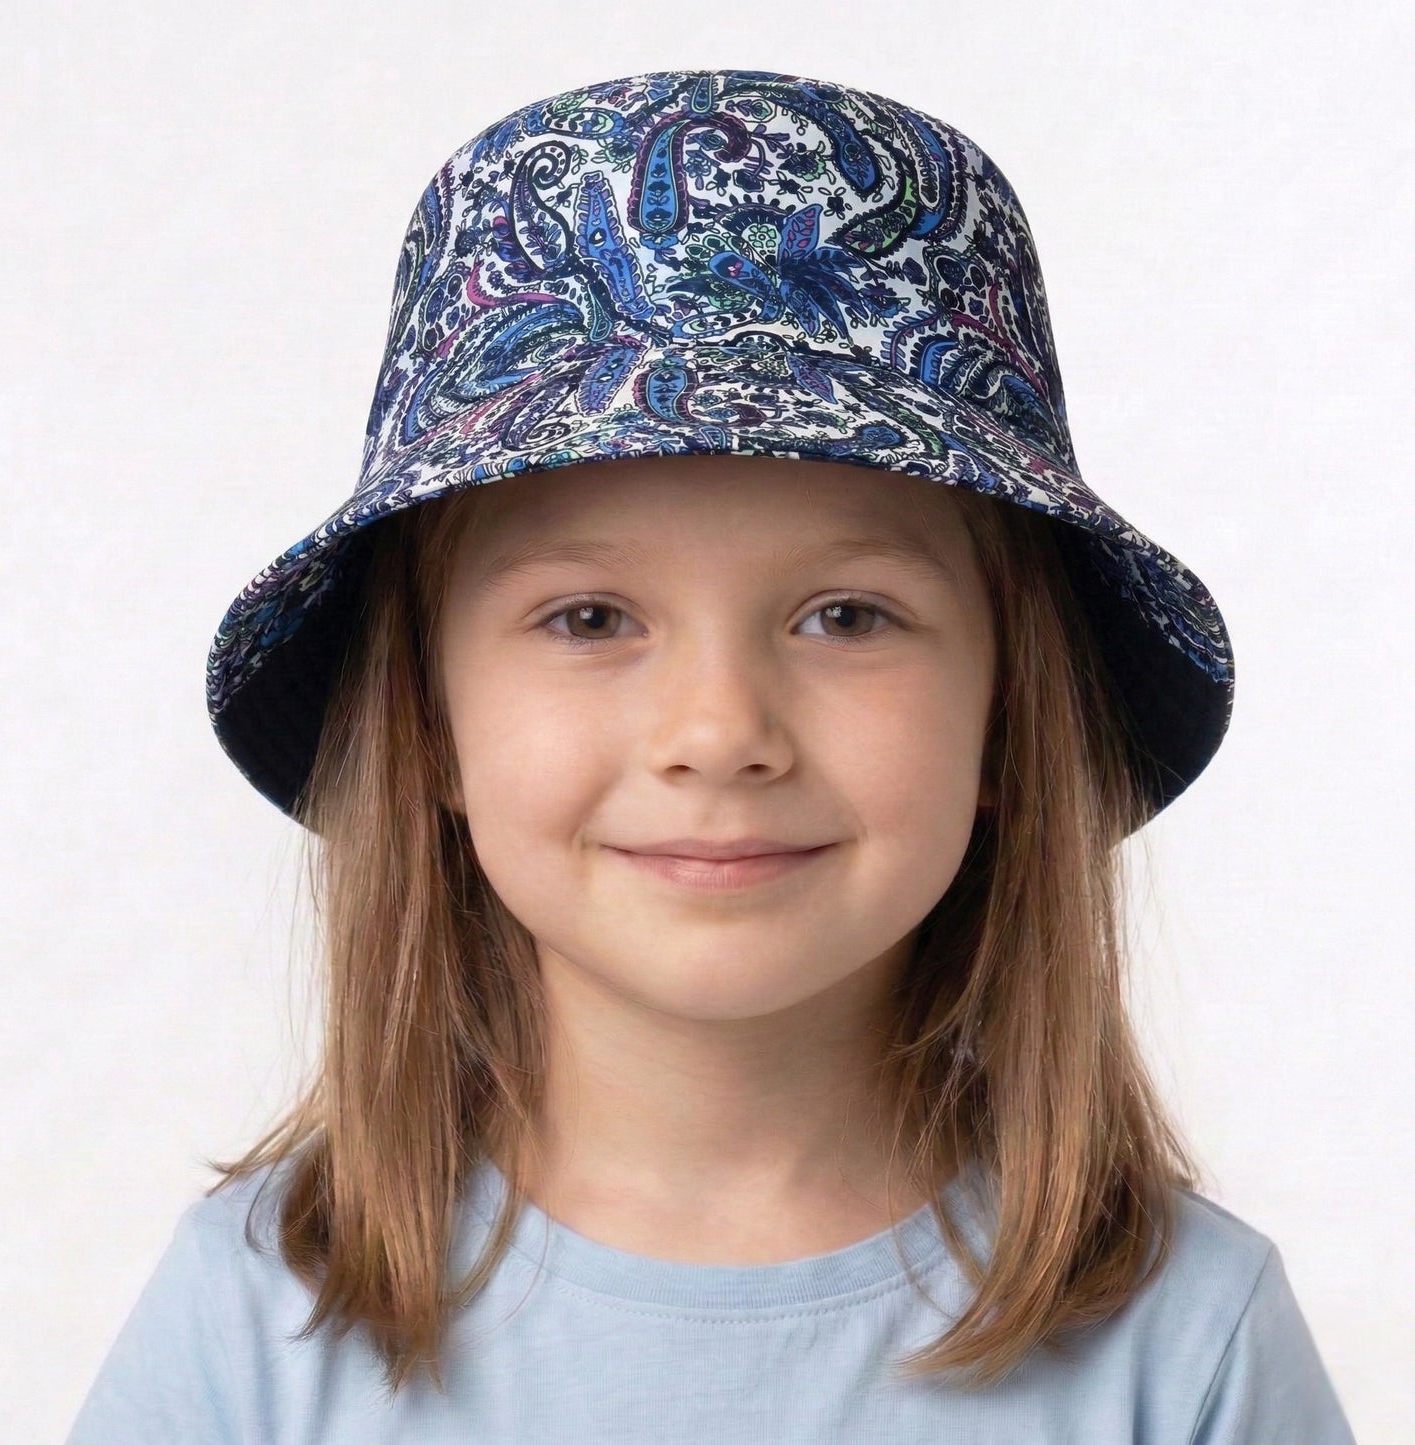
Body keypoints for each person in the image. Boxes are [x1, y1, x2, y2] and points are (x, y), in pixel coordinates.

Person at [66, 67, 1357, 1441]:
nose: (719, 733)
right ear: (426, 720)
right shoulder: (257, 1318)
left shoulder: (1185, 1340)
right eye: (590, 618)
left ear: (1008, 715)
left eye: (846, 616)